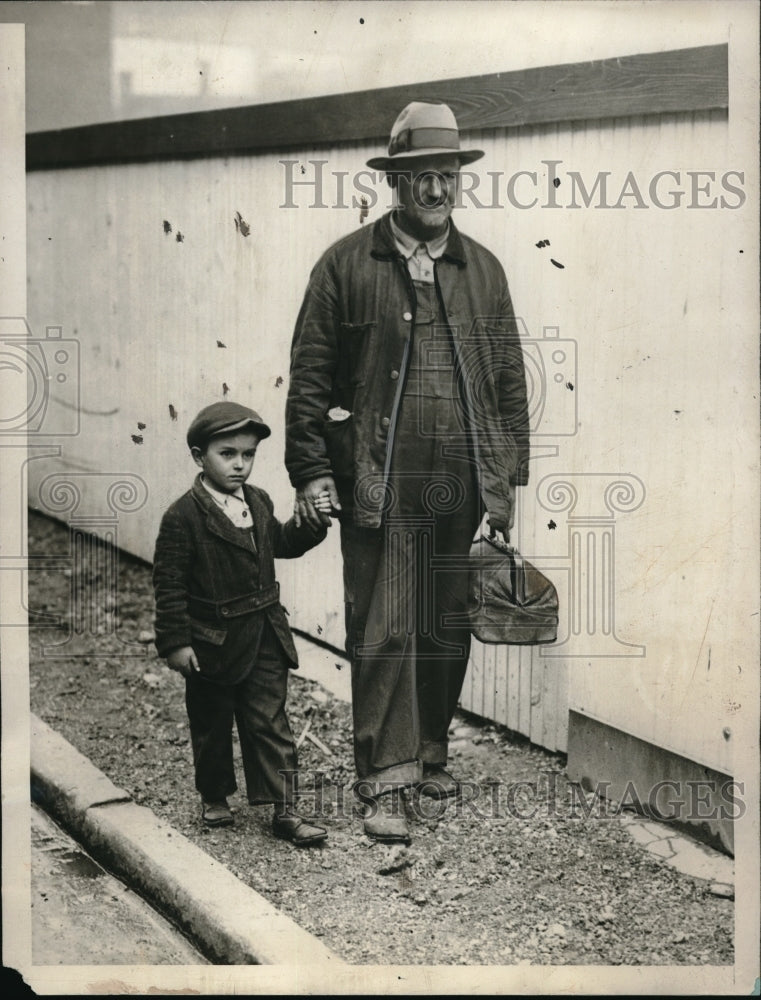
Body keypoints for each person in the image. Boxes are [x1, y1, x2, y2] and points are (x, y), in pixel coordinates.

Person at [285, 102, 530, 843]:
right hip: (378, 475)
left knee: (445, 621)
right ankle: (385, 780)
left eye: (446, 174)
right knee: (385, 624)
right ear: (395, 182)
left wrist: (504, 484)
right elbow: (309, 377)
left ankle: (429, 753)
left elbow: (507, 383)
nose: (435, 188)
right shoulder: (344, 265)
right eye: (421, 175)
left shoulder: (483, 270)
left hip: (462, 477)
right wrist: (311, 470)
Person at [152, 400, 331, 846]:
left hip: (266, 633)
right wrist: (176, 642)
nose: (239, 464)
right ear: (199, 456)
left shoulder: (258, 501)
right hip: (212, 643)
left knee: (270, 721)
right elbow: (169, 586)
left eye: (248, 454)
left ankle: (285, 810)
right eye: (227, 454)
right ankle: (214, 795)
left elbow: (280, 543)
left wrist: (311, 525)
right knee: (212, 723)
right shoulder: (182, 517)